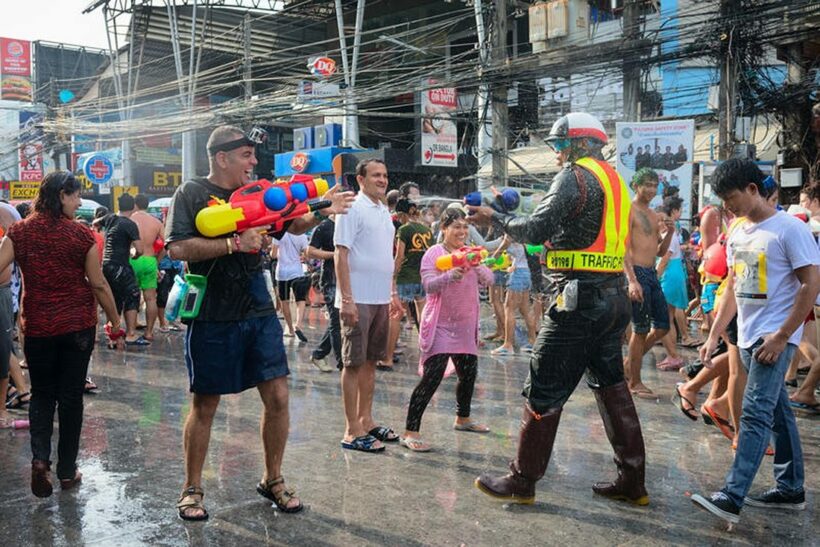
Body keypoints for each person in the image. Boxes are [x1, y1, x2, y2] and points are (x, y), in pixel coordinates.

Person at [165, 125, 353, 520]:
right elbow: (178, 247)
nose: (254, 163)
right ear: (222, 158)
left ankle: (273, 478)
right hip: (212, 309)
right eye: (247, 156)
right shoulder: (192, 192)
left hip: (258, 305)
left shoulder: (257, 193)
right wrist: (234, 243)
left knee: (279, 396)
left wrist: (322, 206)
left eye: (254, 156)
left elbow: (291, 223)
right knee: (205, 403)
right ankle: (192, 488)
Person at [470, 112, 649, 507]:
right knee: (611, 385)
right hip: (612, 297)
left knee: (544, 386)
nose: (556, 154)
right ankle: (632, 480)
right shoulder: (614, 180)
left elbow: (535, 229)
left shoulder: (576, 177)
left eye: (559, 145)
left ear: (578, 144)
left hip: (579, 300)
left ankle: (522, 480)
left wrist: (494, 217)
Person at [691, 158, 820, 524]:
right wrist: (716, 332)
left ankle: (732, 496)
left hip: (773, 339)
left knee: (755, 412)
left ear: (752, 189)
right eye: (723, 202)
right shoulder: (738, 232)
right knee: (778, 411)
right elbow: (733, 284)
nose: (728, 207)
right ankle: (791, 488)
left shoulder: (787, 230)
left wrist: (782, 336)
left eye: (732, 198)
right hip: (746, 335)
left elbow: (812, 283)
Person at [0, 171, 124, 496]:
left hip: (38, 327)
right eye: (75, 195)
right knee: (71, 398)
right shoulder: (80, 235)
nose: (80, 202)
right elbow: (97, 283)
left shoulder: (19, 232)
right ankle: (67, 472)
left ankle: (40, 460)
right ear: (61, 196)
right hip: (77, 327)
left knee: (42, 395)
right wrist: (115, 322)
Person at [400, 208, 492, 451]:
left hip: (465, 325)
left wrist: (476, 264)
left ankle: (463, 418)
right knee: (432, 378)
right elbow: (429, 286)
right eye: (456, 227)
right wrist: (450, 275)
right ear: (443, 229)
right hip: (440, 324)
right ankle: (410, 431)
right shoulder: (433, 253)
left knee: (469, 374)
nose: (462, 232)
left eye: (465, 227)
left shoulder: (470, 252)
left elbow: (490, 280)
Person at [335, 158, 403, 453]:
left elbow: (384, 258)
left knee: (371, 361)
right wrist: (347, 299)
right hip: (357, 299)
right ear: (360, 180)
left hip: (379, 299)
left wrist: (392, 293)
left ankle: (366, 420)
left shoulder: (383, 210)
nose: (382, 180)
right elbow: (341, 254)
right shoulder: (351, 207)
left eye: (385, 175)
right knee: (352, 363)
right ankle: (351, 430)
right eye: (375, 175)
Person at [623, 168, 674, 398]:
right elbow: (622, 248)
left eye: (655, 185)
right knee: (640, 329)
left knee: (662, 325)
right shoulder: (628, 210)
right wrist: (631, 280)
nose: (652, 190)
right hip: (637, 274)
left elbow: (659, 250)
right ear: (636, 185)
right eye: (647, 185)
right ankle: (634, 382)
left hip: (652, 274)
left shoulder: (654, 215)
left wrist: (670, 234)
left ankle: (627, 366)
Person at [382, 198, 431, 370]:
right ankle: (427, 358)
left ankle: (387, 358)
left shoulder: (403, 229)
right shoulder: (427, 229)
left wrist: (392, 276)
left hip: (404, 277)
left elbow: (400, 256)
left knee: (396, 316)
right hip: (422, 278)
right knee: (424, 318)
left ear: (401, 214)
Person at [98, 194, 147, 346]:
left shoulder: (110, 218)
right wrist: (134, 253)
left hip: (106, 265)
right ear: (133, 207)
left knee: (114, 299)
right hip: (120, 265)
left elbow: (95, 222)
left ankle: (112, 335)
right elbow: (140, 249)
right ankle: (131, 334)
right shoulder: (129, 224)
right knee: (132, 294)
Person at [490, 235, 536, 355]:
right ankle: (532, 341)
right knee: (525, 309)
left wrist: (487, 264)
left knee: (509, 308)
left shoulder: (509, 235)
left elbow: (498, 252)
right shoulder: (524, 231)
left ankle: (508, 345)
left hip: (519, 274)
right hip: (527, 271)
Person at [307, 215, 340, 372]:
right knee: (336, 319)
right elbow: (310, 251)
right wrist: (334, 255)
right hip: (330, 278)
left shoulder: (351, 223)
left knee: (337, 320)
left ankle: (319, 354)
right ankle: (343, 363)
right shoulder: (325, 226)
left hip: (348, 278)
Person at [129, 194, 164, 341]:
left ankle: (131, 330)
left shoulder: (129, 219)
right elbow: (166, 244)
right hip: (150, 260)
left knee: (131, 296)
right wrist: (156, 260)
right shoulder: (156, 222)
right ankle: (149, 332)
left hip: (133, 259)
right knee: (150, 299)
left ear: (135, 205)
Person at [270, 232, 310, 341]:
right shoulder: (302, 234)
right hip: (297, 271)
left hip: (282, 273)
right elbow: (307, 255)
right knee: (300, 300)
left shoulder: (279, 234)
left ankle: (291, 330)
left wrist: (276, 253)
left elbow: (273, 255)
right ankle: (298, 325)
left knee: (284, 301)